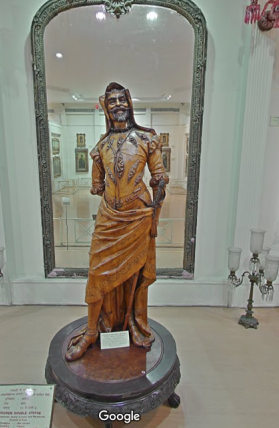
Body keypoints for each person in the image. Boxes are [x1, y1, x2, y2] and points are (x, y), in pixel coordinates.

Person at [65, 82, 169, 362]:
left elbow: (159, 176)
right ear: (105, 108)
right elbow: (97, 186)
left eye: (122, 100)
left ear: (130, 103)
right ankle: (91, 330)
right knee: (96, 273)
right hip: (109, 218)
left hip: (138, 215)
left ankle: (132, 323)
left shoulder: (148, 139)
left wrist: (156, 203)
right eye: (112, 102)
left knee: (135, 274)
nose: (118, 105)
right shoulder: (100, 148)